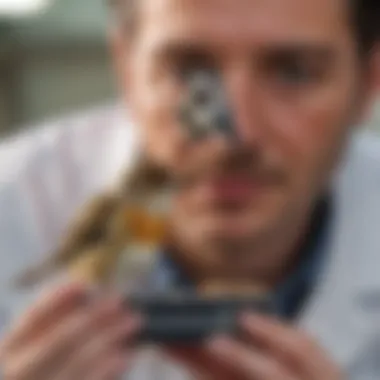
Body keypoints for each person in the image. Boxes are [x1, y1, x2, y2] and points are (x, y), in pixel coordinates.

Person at [0, 0, 380, 379]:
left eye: (293, 72)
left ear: (368, 84)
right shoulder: (13, 205)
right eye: (189, 71)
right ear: (127, 71)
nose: (234, 134)